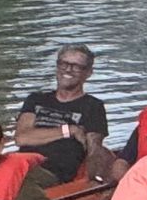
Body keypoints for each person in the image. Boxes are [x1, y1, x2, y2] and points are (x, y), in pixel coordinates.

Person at [15, 43, 111, 184]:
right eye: (63, 64)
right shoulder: (36, 99)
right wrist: (69, 130)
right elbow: (22, 138)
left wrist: (92, 181)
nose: (68, 69)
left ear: (88, 73)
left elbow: (94, 150)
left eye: (77, 66)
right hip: (21, 165)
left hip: (51, 172)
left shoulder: (93, 106)